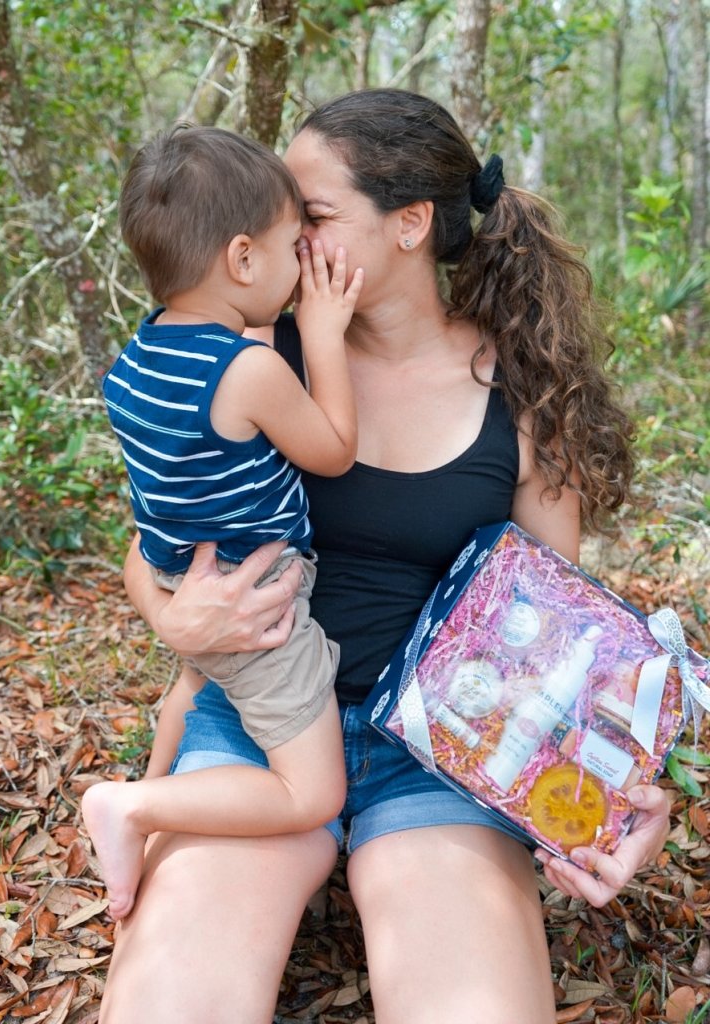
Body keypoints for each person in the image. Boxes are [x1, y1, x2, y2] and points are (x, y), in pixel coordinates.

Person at [97, 90, 672, 1023]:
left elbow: (565, 643)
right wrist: (169, 613)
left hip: (439, 754)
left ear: (411, 223)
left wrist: (622, 794)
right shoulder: (256, 358)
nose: (284, 238)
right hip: (261, 726)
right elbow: (152, 542)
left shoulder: (521, 393)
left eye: (313, 217)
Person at [82, 124, 364, 922]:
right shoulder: (249, 370)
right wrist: (321, 335)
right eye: (288, 246)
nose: (300, 258)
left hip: (183, 576)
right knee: (312, 791)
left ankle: (142, 807)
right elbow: (335, 451)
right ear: (243, 260)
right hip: (259, 599)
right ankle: (132, 808)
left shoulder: (133, 362)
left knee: (193, 684)